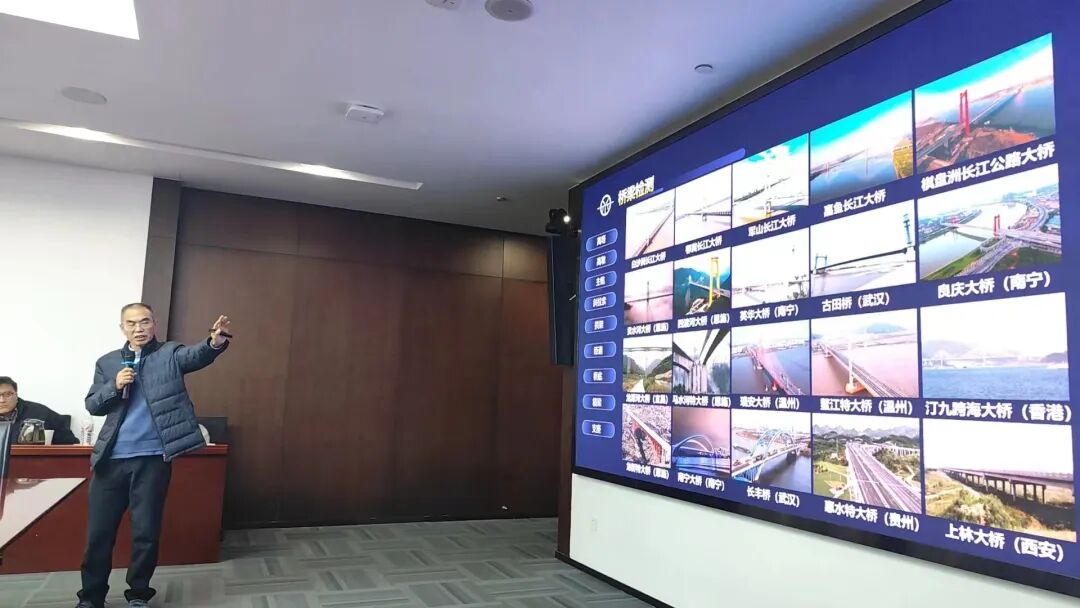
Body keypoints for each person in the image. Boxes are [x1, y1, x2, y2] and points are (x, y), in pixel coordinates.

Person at [75, 303, 232, 608]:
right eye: (132, 323)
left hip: (152, 459)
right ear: (122, 328)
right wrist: (114, 385)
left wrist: (214, 342)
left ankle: (138, 595)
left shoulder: (169, 353)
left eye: (145, 322)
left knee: (145, 533)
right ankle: (91, 597)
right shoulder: (107, 362)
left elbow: (196, 355)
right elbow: (93, 405)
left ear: (154, 324)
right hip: (110, 461)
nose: (139, 328)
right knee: (98, 535)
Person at [0, 376, 80, 445]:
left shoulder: (42, 414)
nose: (2, 400)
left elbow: (71, 445)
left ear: (16, 395)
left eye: (7, 394)